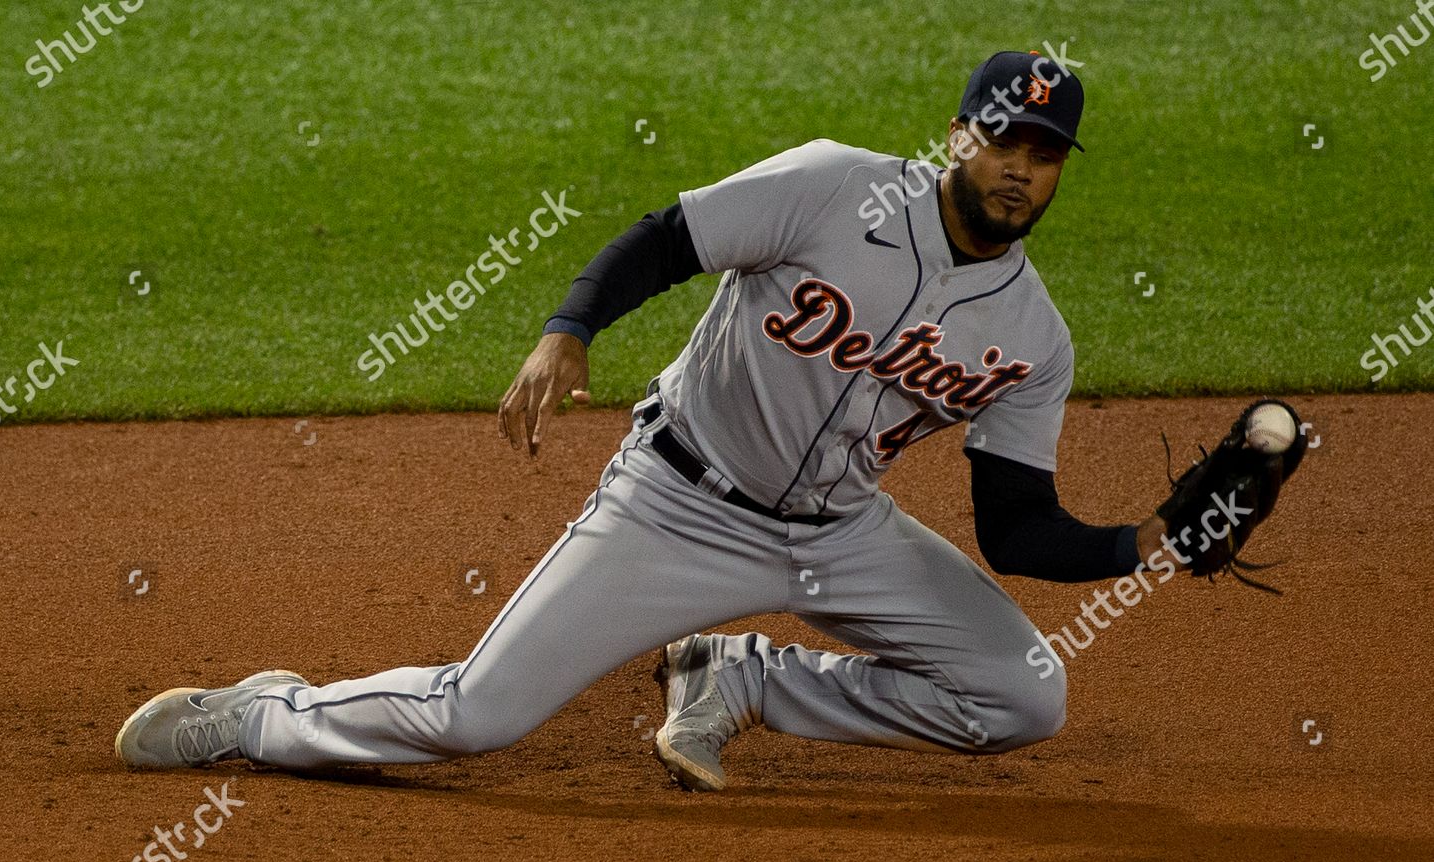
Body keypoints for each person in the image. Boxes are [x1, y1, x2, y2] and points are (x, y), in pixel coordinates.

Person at [116, 51, 1178, 792]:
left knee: (1025, 696)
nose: (1018, 168)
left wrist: (1150, 541)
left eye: (1042, 154)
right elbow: (668, 238)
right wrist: (569, 327)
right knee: (474, 715)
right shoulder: (832, 188)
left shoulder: (1035, 336)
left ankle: (742, 675)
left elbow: (1016, 526)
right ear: (959, 134)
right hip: (681, 501)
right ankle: (263, 716)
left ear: (1059, 170)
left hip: (842, 534)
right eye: (1002, 141)